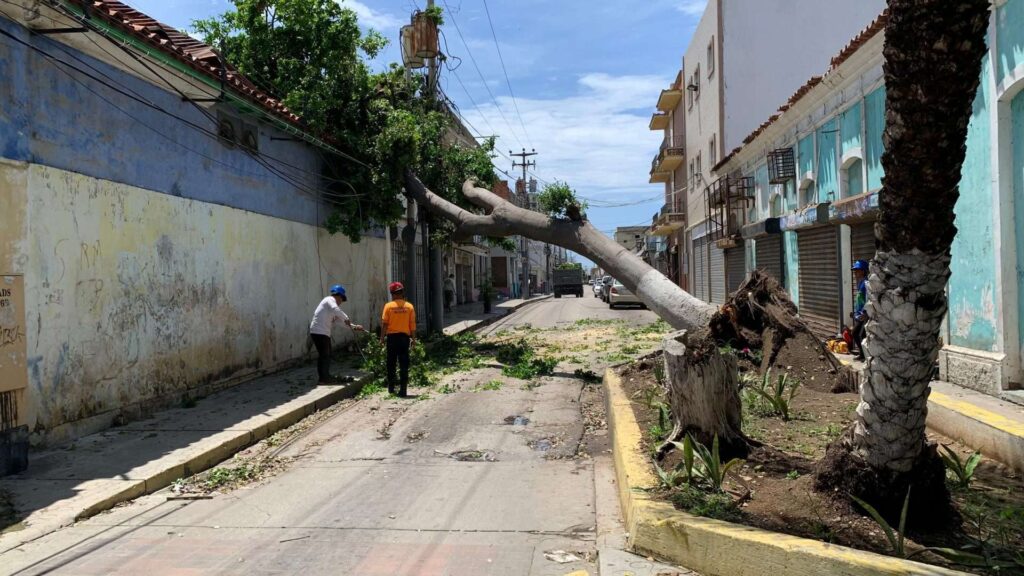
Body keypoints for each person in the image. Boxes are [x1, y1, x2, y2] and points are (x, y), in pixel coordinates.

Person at [309, 284, 364, 385]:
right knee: (324, 355)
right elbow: (339, 313)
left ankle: (325, 376)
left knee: (326, 354)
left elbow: (340, 322)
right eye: (342, 300)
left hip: (322, 332)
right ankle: (323, 378)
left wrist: (354, 327)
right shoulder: (329, 300)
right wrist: (346, 318)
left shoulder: (332, 308)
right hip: (319, 331)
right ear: (339, 296)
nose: (341, 302)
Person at [381, 282, 416, 397]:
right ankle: (403, 390)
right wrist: (414, 340)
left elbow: (384, 324)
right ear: (402, 292)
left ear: (392, 294)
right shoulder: (409, 306)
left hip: (392, 339)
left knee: (391, 363)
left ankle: (391, 388)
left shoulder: (388, 306)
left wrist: (381, 338)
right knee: (404, 364)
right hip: (404, 339)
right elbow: (412, 325)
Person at [850, 260, 869, 360]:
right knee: (860, 335)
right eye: (855, 271)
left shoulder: (866, 283)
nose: (855, 273)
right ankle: (863, 355)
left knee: (856, 333)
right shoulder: (860, 282)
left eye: (857, 270)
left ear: (863, 271)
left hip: (863, 315)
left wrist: (865, 312)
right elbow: (859, 299)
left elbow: (868, 299)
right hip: (859, 314)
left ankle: (864, 355)